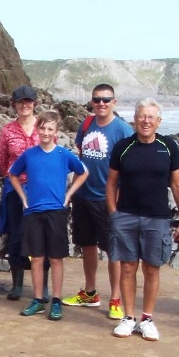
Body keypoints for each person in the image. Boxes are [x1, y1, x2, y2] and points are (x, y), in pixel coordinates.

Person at [107, 99, 179, 341]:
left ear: (158, 121)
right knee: (127, 267)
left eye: (151, 117)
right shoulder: (123, 147)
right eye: (142, 116)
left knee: (152, 268)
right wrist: (114, 214)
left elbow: (177, 185)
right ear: (135, 119)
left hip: (157, 218)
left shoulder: (168, 146)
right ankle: (128, 317)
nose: (146, 121)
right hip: (126, 216)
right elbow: (111, 183)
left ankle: (147, 319)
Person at [62, 83, 133, 320]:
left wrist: (119, 202)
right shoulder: (86, 124)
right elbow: (80, 160)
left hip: (107, 199)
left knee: (113, 250)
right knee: (87, 245)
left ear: (114, 102)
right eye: (97, 99)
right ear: (92, 102)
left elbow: (128, 169)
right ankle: (90, 292)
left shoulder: (123, 130)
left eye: (106, 99)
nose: (101, 103)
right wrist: (71, 192)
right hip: (83, 196)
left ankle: (115, 299)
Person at [8, 111, 87, 320]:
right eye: (42, 128)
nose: (45, 132)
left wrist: (69, 194)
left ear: (56, 132)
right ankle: (37, 300)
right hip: (33, 211)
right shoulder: (29, 154)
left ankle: (56, 300)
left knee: (56, 258)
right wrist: (23, 197)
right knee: (36, 258)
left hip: (56, 212)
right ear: (37, 129)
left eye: (50, 129)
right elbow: (13, 174)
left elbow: (83, 172)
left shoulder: (63, 154)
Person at [0, 85, 41, 301]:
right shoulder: (7, 131)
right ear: (14, 104)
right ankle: (17, 285)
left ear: (35, 104)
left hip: (40, 189)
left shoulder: (44, 128)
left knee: (40, 236)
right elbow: (2, 161)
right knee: (15, 235)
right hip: (15, 189)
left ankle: (42, 286)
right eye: (21, 102)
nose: (25, 105)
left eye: (28, 101)